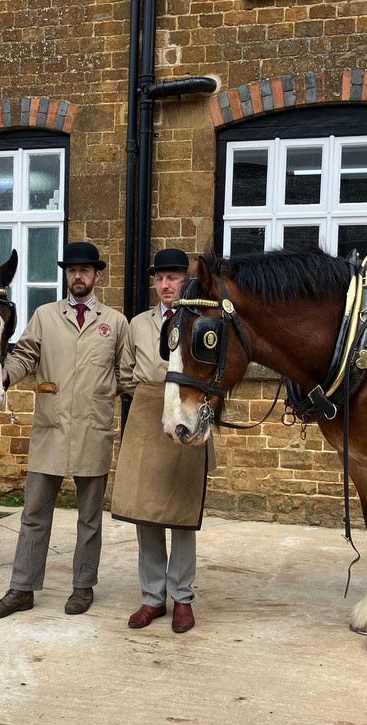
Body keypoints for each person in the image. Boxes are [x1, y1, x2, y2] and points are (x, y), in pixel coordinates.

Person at [0, 241, 128, 620]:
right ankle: (22, 588)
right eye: (71, 270)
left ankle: (83, 587)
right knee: (33, 512)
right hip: (50, 428)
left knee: (90, 518)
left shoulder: (115, 322)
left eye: (84, 270)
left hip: (94, 429)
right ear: (66, 274)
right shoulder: (46, 315)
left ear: (97, 275)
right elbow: (24, 355)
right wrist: (1, 379)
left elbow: (127, 376)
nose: (77, 276)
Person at [110, 248, 215, 633]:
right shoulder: (137, 324)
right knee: (146, 513)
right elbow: (124, 372)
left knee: (182, 515)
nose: (167, 284)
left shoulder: (203, 321)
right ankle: (152, 597)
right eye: (160, 278)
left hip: (185, 408)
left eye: (173, 277)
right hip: (146, 409)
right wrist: (147, 398)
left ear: (186, 281)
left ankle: (183, 598)